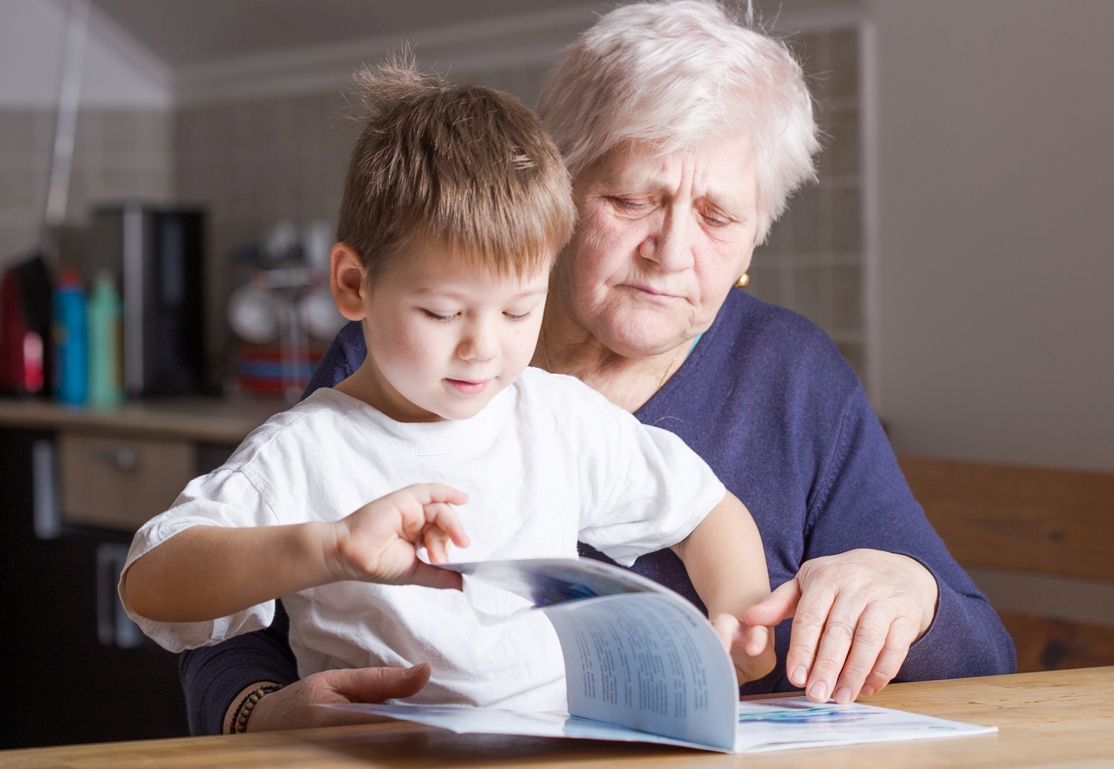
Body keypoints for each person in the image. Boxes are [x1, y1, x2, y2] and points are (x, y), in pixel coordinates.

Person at [181, 0, 1016, 735]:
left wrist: (911, 592)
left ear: (755, 240)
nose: (671, 251)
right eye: (632, 199)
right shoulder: (403, 354)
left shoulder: (792, 374)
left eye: (719, 215)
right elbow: (242, 608)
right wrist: (260, 711)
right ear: (558, 192)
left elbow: (984, 660)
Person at [121, 58, 780, 727]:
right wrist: (322, 549)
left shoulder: (557, 418)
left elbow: (706, 511)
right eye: (441, 313)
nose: (483, 347)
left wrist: (739, 612)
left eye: (520, 311)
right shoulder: (308, 448)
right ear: (353, 284)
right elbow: (150, 582)